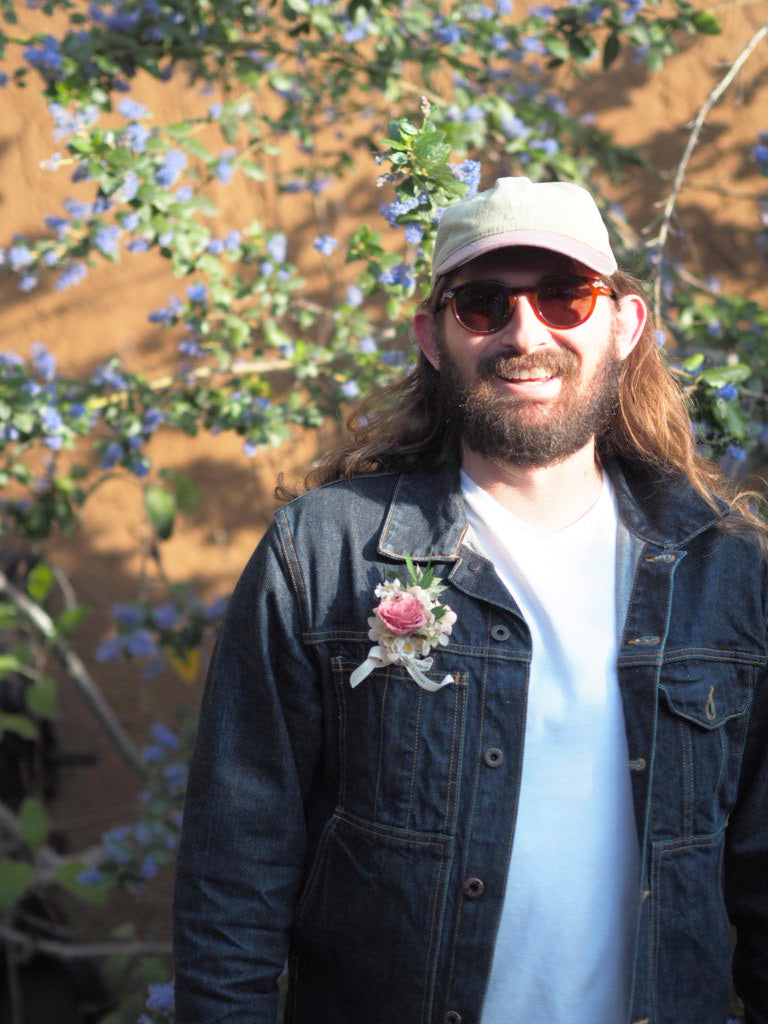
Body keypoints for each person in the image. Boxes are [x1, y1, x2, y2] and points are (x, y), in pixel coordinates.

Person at [173, 177, 768, 1024]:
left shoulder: (728, 575)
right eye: (484, 305)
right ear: (433, 336)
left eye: (567, 298)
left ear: (625, 326)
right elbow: (234, 878)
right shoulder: (326, 554)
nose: (527, 333)